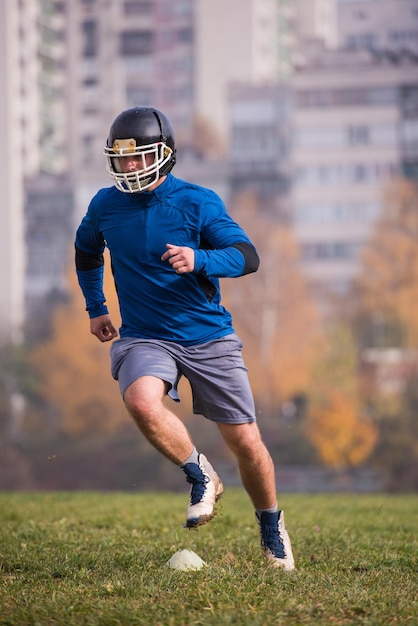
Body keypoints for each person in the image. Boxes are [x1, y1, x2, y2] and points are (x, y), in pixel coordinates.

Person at [75, 106, 295, 571]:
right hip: (145, 337)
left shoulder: (198, 202)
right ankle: (200, 473)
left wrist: (200, 260)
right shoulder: (103, 205)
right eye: (121, 159)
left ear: (165, 155)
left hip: (208, 337)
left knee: (246, 441)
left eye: (139, 158)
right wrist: (96, 308)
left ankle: (272, 526)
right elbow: (86, 253)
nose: (129, 167)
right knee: (140, 400)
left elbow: (246, 256)